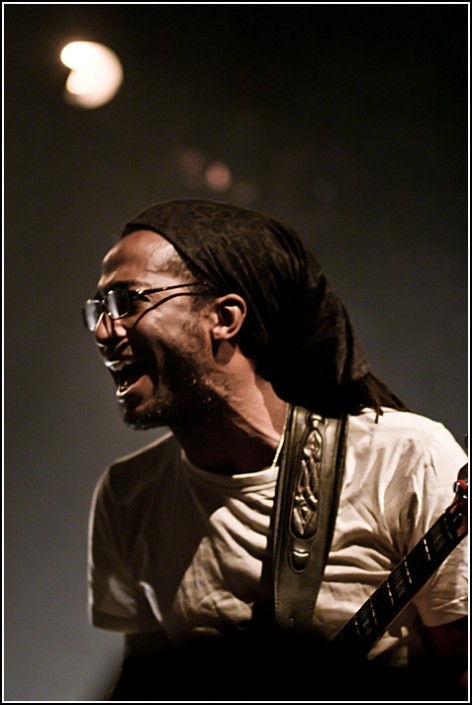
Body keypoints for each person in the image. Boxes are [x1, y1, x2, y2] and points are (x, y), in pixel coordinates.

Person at [84, 199, 467, 701]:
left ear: (224, 317)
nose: (102, 330)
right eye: (97, 309)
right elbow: (146, 677)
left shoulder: (403, 458)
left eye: (125, 302)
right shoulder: (128, 495)